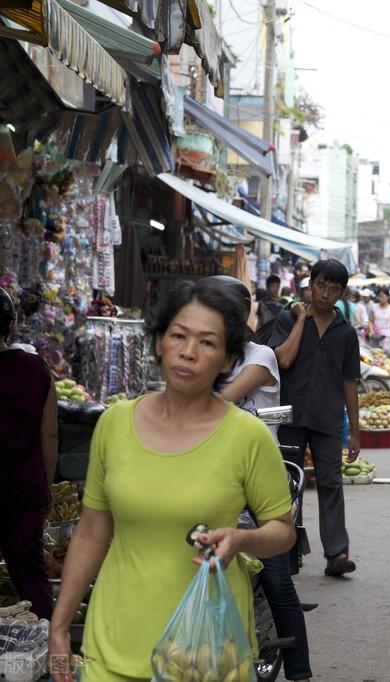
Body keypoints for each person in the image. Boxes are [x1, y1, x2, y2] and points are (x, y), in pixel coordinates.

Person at [48, 281, 295, 681]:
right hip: (114, 642)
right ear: (159, 341)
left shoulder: (246, 437)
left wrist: (243, 539)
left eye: (207, 343)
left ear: (229, 359)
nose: (188, 351)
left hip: (208, 652)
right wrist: (59, 629)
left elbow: (283, 532)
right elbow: (92, 531)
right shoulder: (115, 423)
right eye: (178, 335)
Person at [205, 276, 311, 682]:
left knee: (275, 577)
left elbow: (220, 400)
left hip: (259, 481)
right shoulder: (207, 356)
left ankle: (299, 670)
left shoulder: (260, 355)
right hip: (212, 477)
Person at [264, 259, 361, 577]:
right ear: (310, 284)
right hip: (287, 414)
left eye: (334, 289)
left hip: (327, 418)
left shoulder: (346, 333)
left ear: (342, 293)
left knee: (331, 483)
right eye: (321, 285)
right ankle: (287, 552)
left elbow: (350, 383)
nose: (326, 293)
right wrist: (300, 320)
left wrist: (355, 432)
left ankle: (337, 553)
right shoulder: (287, 318)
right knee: (288, 484)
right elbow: (280, 358)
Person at [0, 287, 56, 620]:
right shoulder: (35, 368)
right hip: (23, 488)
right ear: (10, 326)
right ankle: (49, 648)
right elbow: (49, 433)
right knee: (30, 576)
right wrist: (45, 487)